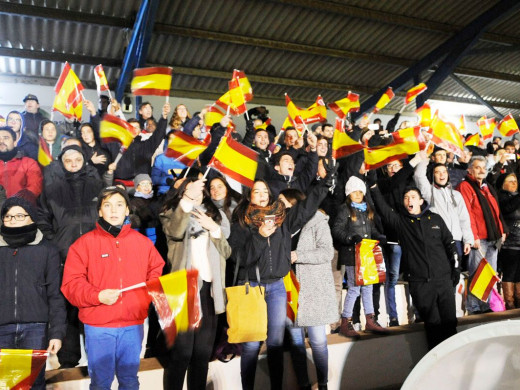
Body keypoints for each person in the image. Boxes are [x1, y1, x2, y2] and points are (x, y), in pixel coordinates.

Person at [228, 178, 331, 390]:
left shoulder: (282, 218)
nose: (262, 194)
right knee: (251, 345)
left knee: (275, 344)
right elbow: (239, 259)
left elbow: (307, 207)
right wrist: (259, 236)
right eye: (257, 192)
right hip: (251, 288)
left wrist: (325, 182)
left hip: (276, 288)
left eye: (265, 191)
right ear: (249, 196)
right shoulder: (240, 222)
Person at [61, 186, 164, 389]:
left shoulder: (142, 243)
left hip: (133, 325)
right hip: (99, 326)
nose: (114, 210)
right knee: (101, 382)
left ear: (127, 210)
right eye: (107, 205)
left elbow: (156, 272)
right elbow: (71, 284)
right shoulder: (83, 245)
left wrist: (143, 299)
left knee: (130, 380)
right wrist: (97, 295)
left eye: (119, 205)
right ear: (100, 211)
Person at [160, 177, 231, 390]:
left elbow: (226, 252)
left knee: (202, 355)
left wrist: (214, 229)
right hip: (182, 289)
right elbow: (175, 231)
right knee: (181, 353)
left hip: (210, 291)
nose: (195, 193)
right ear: (183, 192)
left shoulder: (216, 215)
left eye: (199, 190)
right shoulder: (172, 212)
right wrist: (187, 201)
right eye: (190, 190)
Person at [38, 144, 104, 368]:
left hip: (96, 257)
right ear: (62, 163)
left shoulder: (98, 186)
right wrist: (55, 242)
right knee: (68, 307)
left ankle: (98, 357)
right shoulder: (52, 189)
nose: (74, 164)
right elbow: (42, 219)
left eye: (78, 159)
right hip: (65, 256)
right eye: (68, 160)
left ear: (84, 161)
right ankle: (68, 360)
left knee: (93, 306)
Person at [371, 184, 459, 349]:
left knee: (450, 324)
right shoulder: (401, 222)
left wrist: (455, 269)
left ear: (420, 201)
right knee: (433, 325)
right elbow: (383, 208)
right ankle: (434, 366)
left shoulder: (436, 219)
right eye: (405, 198)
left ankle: (454, 365)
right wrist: (375, 187)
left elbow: (450, 245)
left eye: (412, 197)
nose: (409, 200)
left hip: (443, 280)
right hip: (421, 284)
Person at [0, 196, 66, 390]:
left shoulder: (47, 250)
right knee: (8, 385)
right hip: (2, 329)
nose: (13, 220)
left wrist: (56, 333)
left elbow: (55, 295)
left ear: (31, 219)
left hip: (35, 328)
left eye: (19, 215)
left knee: (35, 384)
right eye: (8, 216)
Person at [279, 189, 337, 390]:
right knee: (296, 341)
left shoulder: (317, 221)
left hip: (312, 289)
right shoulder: (280, 224)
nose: (279, 206)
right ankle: (303, 384)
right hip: (288, 287)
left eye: (283, 202)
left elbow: (327, 252)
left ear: (295, 203)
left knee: (318, 340)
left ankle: (322, 384)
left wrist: (298, 255)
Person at [333, 176, 388, 337]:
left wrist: (379, 236)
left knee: (368, 286)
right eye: (353, 191)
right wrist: (350, 238)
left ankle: (370, 319)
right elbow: (337, 229)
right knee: (355, 287)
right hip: (353, 255)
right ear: (348, 193)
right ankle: (346, 321)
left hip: (367, 254)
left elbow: (372, 230)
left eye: (360, 191)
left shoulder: (367, 210)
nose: (357, 194)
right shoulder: (345, 209)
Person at [457, 156, 507, 314]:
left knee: (487, 275)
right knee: (476, 274)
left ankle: (485, 305)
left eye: (483, 168)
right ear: (470, 170)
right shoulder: (465, 186)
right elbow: (467, 214)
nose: (481, 170)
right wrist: (473, 236)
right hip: (479, 239)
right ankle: (473, 307)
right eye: (477, 167)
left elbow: (496, 211)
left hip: (493, 238)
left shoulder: (487, 187)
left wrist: (502, 230)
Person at [414, 151, 474, 258]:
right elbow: (418, 176)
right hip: (438, 239)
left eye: (444, 172)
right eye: (437, 172)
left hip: (456, 240)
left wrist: (468, 240)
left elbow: (464, 219)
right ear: (433, 175)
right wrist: (425, 156)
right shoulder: (429, 192)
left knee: (456, 272)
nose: (442, 175)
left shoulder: (457, 195)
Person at [497, 173, 520, 309]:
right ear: (502, 184)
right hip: (509, 243)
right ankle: (510, 305)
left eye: (515, 181)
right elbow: (508, 208)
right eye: (510, 181)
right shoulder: (501, 197)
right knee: (510, 274)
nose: (513, 183)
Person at [0, 126, 42, 198]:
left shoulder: (29, 163)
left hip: (21, 206)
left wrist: (16, 205)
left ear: (15, 142)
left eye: (6, 138)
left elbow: (34, 188)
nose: (1, 141)